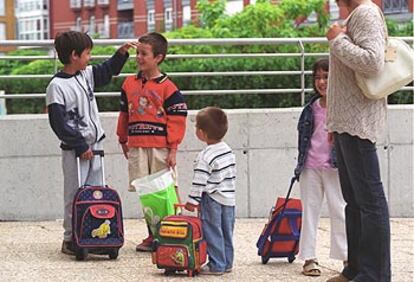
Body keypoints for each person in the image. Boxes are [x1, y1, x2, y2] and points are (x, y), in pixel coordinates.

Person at [46, 31, 135, 255]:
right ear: (74, 55)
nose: (90, 58)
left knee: (96, 192)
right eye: (87, 54)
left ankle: (93, 232)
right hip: (76, 151)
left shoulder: (85, 75)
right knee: (75, 193)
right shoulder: (56, 87)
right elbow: (58, 123)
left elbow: (107, 71)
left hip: (95, 146)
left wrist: (121, 53)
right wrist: (80, 145)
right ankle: (70, 238)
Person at [325, 0, 390, 281]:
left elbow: (373, 63)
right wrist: (333, 122)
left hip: (358, 123)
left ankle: (374, 274)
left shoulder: (365, 13)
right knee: (354, 201)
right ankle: (356, 268)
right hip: (346, 123)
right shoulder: (356, 15)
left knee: (369, 201)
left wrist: (337, 40)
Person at [116, 32, 188, 252]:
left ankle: (174, 234)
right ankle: (152, 234)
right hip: (137, 146)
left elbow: (177, 120)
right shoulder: (129, 84)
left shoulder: (169, 88)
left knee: (166, 190)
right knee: (146, 193)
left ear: (158, 57)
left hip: (160, 148)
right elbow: (124, 113)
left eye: (144, 54)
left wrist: (173, 149)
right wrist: (122, 139)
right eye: (137, 52)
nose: (138, 57)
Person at [294, 59, 347, 277]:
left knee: (340, 211)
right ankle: (309, 258)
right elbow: (304, 140)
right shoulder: (310, 108)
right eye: (317, 78)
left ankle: (347, 257)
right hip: (310, 167)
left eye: (326, 77)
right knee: (310, 213)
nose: (322, 82)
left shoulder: (344, 107)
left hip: (335, 168)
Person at [185, 107, 236, 276]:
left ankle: (216, 264)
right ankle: (227, 262)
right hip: (229, 198)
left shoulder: (205, 156)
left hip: (212, 198)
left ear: (202, 133)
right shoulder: (227, 150)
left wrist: (192, 201)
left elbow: (199, 181)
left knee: (212, 231)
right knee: (226, 231)